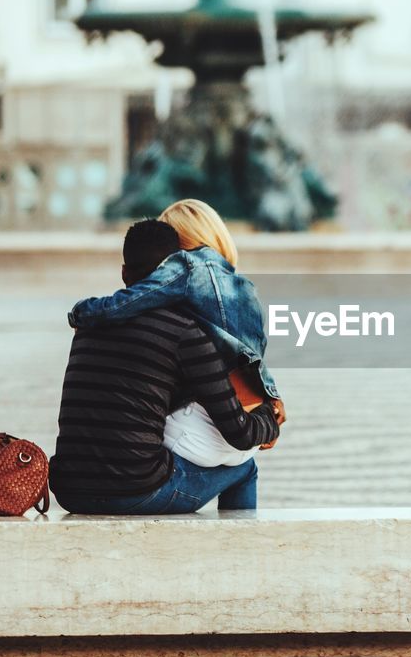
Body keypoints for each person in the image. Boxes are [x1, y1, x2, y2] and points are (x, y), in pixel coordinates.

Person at [50, 219, 280, 514]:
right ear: (176, 271)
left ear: (124, 273)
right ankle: (238, 557)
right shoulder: (184, 332)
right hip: (137, 491)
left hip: (69, 490)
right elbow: (240, 434)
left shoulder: (89, 324)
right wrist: (268, 418)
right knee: (244, 469)